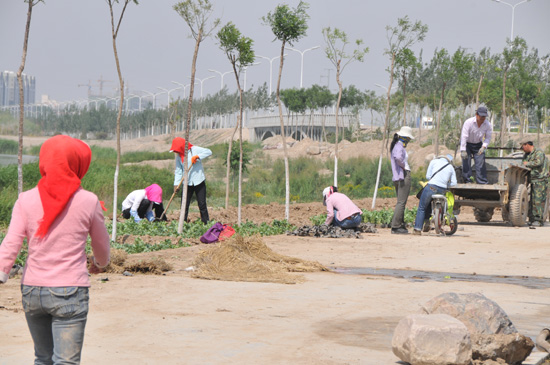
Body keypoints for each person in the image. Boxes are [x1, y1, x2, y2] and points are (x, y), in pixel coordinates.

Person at [0, 135, 110, 364]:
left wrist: (2, 272)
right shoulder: (89, 201)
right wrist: (99, 263)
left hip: (32, 291)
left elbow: (12, 241)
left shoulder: (25, 199)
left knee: (42, 358)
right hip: (70, 290)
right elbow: (101, 245)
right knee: (66, 362)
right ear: (76, 163)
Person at [170, 137, 212, 224]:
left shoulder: (195, 149)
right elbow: (178, 171)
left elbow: (209, 151)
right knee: (184, 205)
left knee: (202, 204)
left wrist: (197, 156)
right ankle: (182, 223)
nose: (176, 152)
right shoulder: (179, 157)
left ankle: (206, 223)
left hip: (199, 181)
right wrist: (176, 184)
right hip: (187, 183)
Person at [413, 154, 457, 235]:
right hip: (442, 189)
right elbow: (454, 183)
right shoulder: (450, 167)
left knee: (422, 207)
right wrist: (445, 185)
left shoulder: (433, 162)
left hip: (431, 187)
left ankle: (418, 229)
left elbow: (428, 177)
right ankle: (438, 220)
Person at [390, 126, 415, 234]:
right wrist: (404, 166)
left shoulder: (396, 145)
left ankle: (400, 224)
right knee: (401, 202)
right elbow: (398, 158)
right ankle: (396, 226)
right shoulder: (399, 146)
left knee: (401, 201)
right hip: (403, 175)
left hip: (398, 176)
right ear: (405, 138)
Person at [460, 106, 493, 184]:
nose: (482, 118)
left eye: (484, 117)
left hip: (478, 145)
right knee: (466, 161)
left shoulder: (488, 125)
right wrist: (463, 150)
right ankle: (468, 181)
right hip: (467, 144)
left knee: (480, 163)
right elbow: (464, 136)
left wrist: (483, 147)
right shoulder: (468, 122)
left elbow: (488, 138)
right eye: (481, 116)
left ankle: (482, 181)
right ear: (476, 115)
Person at [520, 141, 549, 227]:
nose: (522, 149)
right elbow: (523, 163)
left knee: (538, 200)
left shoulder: (538, 152)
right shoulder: (527, 154)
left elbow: (538, 162)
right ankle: (532, 219)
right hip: (532, 180)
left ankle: (538, 220)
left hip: (540, 179)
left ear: (528, 145)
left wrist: (527, 163)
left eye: (523, 147)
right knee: (532, 201)